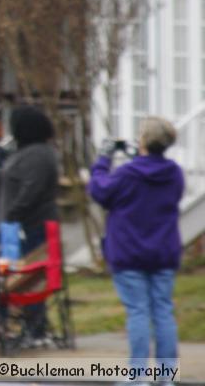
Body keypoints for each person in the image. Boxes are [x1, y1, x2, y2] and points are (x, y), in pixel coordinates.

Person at [88, 117, 184, 376]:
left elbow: (100, 191)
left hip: (129, 251)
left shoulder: (128, 174)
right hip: (163, 250)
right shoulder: (174, 173)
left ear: (143, 141)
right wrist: (138, 155)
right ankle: (166, 377)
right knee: (163, 311)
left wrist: (103, 161)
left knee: (138, 312)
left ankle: (138, 376)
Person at [0, 105, 60, 343]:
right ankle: (22, 326)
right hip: (17, 225)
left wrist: (13, 213)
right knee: (15, 278)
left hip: (32, 226)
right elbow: (17, 179)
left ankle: (35, 328)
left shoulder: (39, 154)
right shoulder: (27, 151)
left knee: (32, 280)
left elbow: (31, 189)